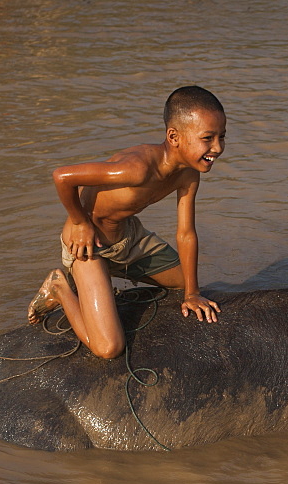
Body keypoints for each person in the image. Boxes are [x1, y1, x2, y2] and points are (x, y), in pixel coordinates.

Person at [27, 86, 225, 359]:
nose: (217, 148)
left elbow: (186, 233)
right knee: (109, 349)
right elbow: (62, 176)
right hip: (89, 245)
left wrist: (192, 293)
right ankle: (61, 287)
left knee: (183, 283)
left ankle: (105, 281)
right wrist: (79, 221)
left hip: (130, 237)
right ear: (173, 136)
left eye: (221, 137)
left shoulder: (188, 175)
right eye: (208, 138)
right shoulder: (136, 168)